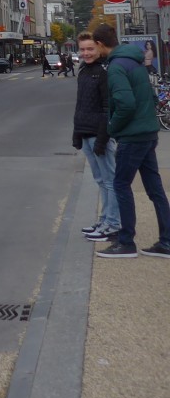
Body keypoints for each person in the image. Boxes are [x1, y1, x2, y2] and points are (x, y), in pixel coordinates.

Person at [91, 24, 170, 258]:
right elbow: (152, 96)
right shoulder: (135, 61)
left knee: (121, 185)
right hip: (147, 132)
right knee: (155, 189)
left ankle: (126, 242)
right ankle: (166, 241)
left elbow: (125, 104)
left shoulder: (116, 67)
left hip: (132, 136)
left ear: (99, 44)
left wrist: (112, 128)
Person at [72, 32, 119, 242]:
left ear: (98, 48)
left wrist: (102, 138)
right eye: (82, 49)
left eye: (90, 49)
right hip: (86, 133)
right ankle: (104, 220)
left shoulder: (103, 72)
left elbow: (107, 108)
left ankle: (113, 224)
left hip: (99, 135)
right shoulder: (83, 71)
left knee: (110, 181)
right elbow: (81, 104)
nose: (86, 53)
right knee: (100, 180)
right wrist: (77, 132)